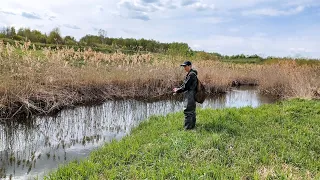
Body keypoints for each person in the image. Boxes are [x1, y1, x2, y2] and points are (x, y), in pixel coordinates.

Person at [173, 61, 198, 130]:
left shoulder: (191, 74)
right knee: (192, 111)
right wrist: (178, 89)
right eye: (183, 66)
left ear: (190, 66)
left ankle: (187, 129)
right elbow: (185, 85)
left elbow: (186, 87)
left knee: (188, 111)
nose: (184, 68)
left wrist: (177, 90)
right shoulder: (192, 73)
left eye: (185, 66)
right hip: (192, 94)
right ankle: (192, 127)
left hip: (190, 94)